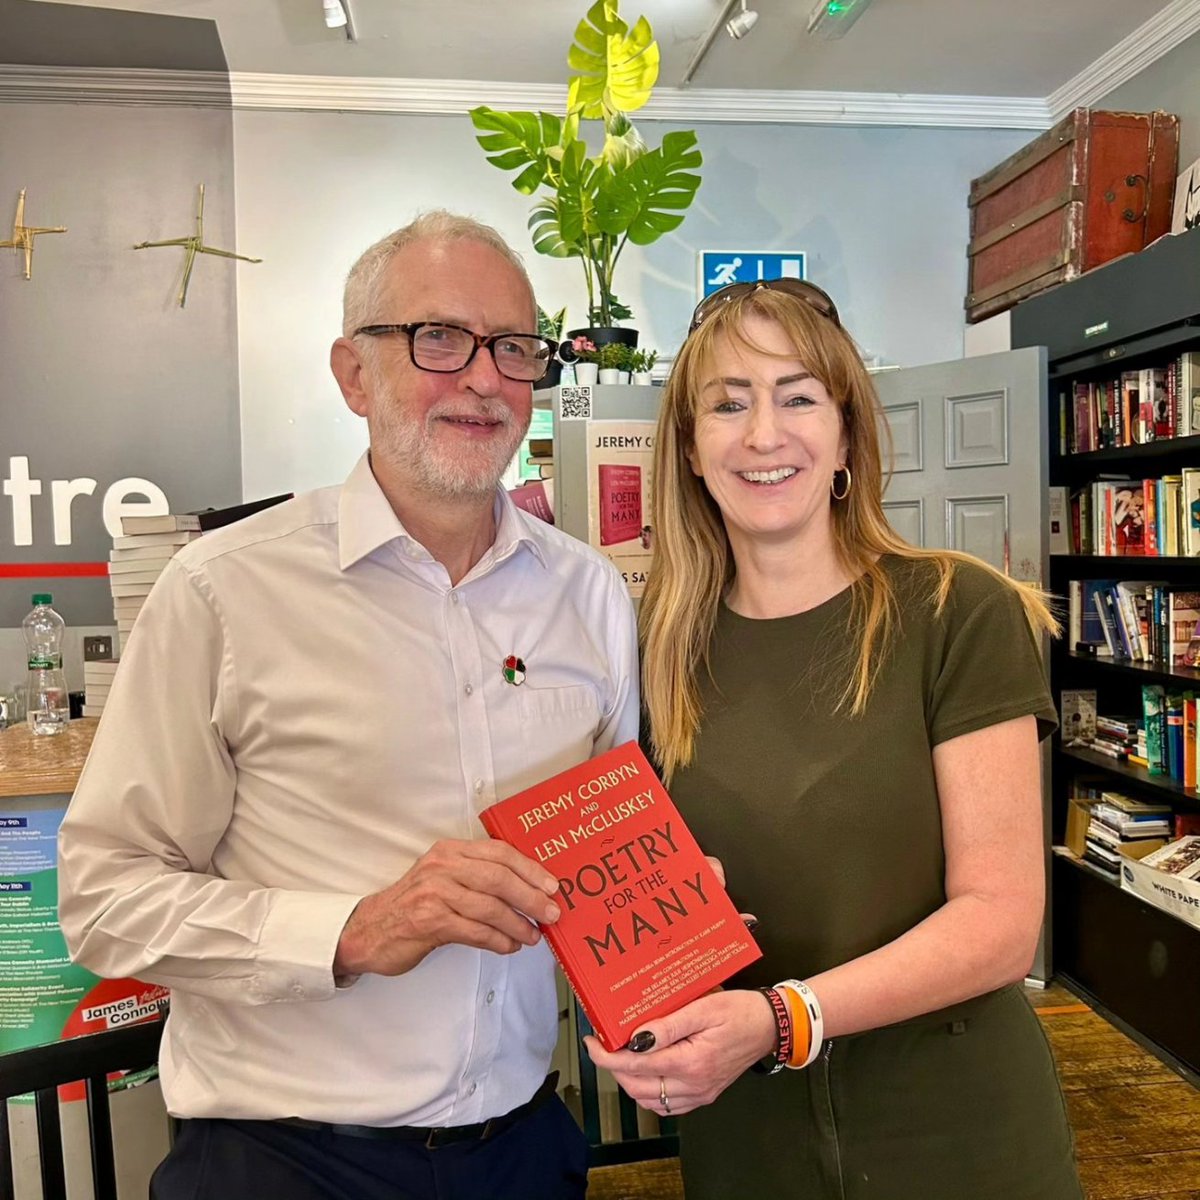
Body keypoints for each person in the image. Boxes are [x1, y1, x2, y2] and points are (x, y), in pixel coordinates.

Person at [57, 211, 639, 1200]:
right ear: (353, 374)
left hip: (526, 1153)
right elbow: (104, 900)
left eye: (512, 348)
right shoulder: (223, 591)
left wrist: (660, 912)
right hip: (283, 1162)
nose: (484, 378)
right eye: (438, 339)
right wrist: (353, 931)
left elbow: (607, 852)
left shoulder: (590, 596)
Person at [586, 278, 1084, 1199]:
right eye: (728, 404)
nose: (764, 434)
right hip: (749, 1132)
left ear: (847, 431)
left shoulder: (954, 610)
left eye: (798, 397)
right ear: (690, 448)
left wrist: (785, 1020)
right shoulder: (651, 649)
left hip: (953, 1125)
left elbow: (1002, 924)